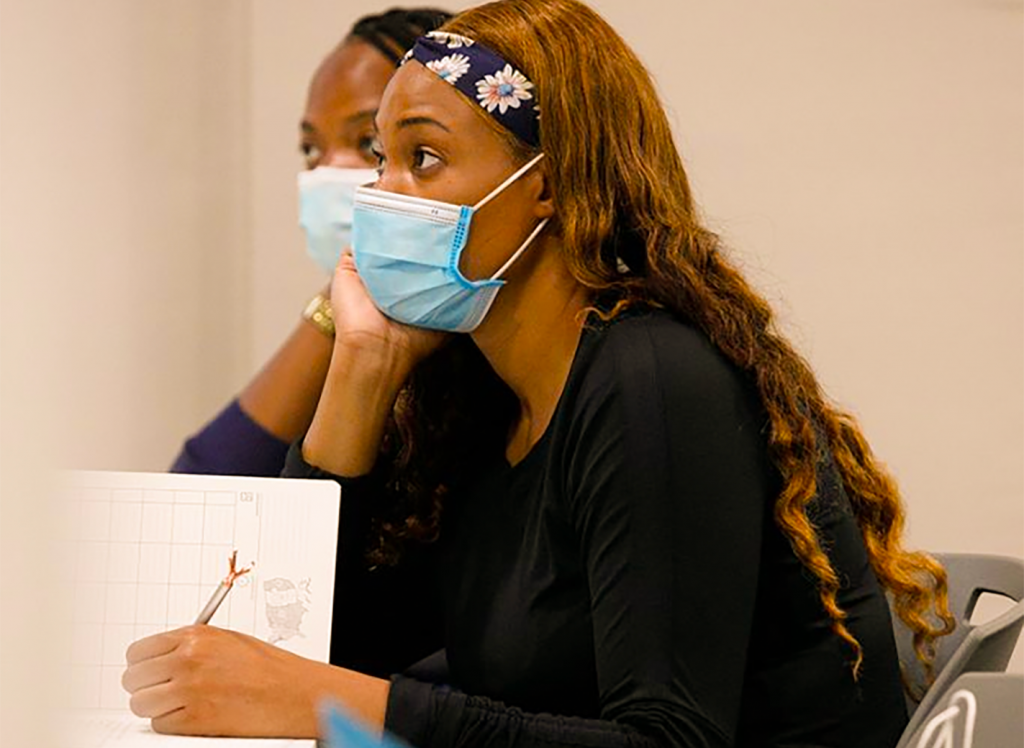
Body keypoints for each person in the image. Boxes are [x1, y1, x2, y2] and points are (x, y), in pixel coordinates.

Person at [124, 1, 956, 745]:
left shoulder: (653, 379)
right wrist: (362, 364)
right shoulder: (482, 397)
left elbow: (670, 739)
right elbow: (310, 646)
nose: (381, 194)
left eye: (424, 158)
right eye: (383, 158)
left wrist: (336, 703)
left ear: (549, 185)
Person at [170, 7, 452, 477]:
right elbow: (205, 487)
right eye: (311, 150)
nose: (327, 173)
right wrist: (333, 310)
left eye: (369, 147)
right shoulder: (354, 336)